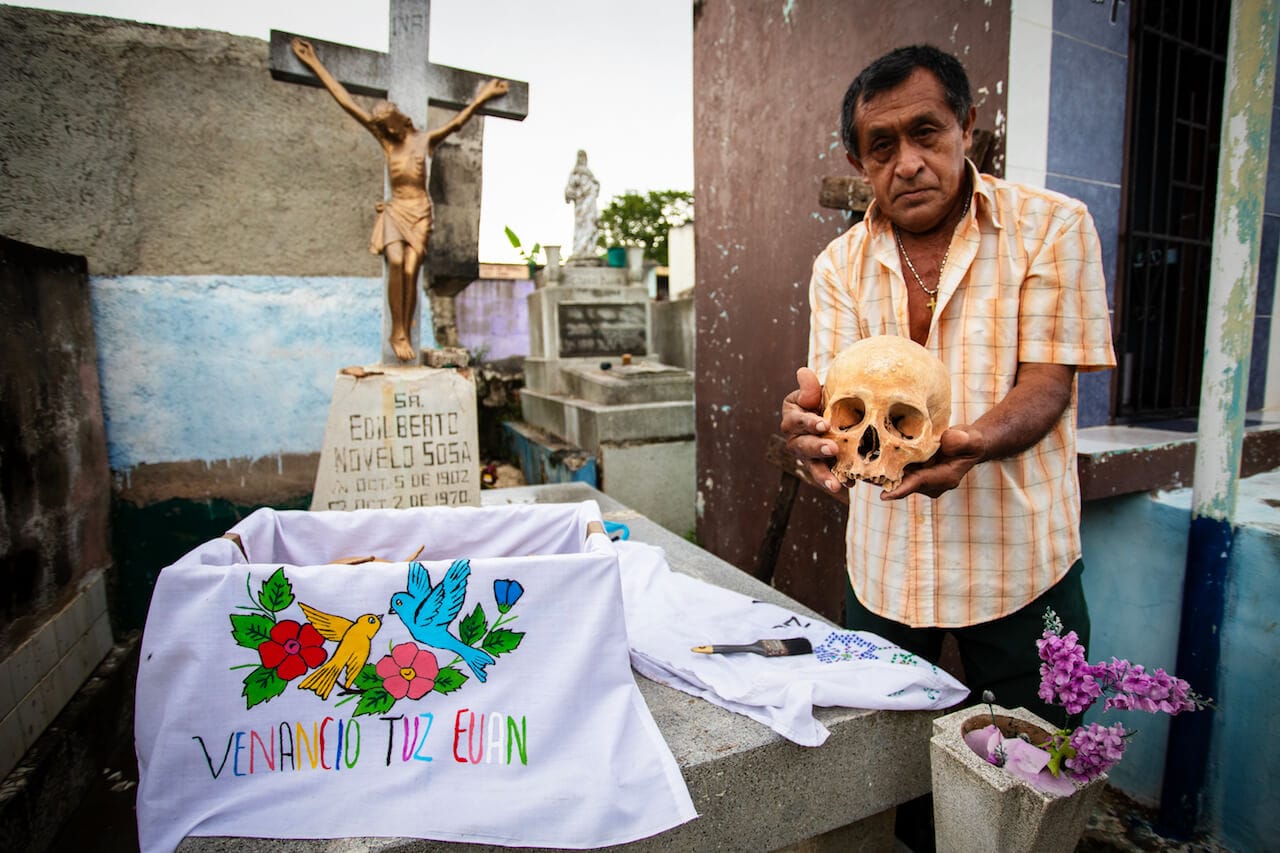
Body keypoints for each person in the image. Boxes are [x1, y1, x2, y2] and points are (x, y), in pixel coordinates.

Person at [780, 44, 1116, 720]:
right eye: (881, 147)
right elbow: (835, 397)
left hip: (1022, 567)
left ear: (966, 126)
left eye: (926, 132)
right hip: (885, 570)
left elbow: (1048, 382)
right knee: (873, 773)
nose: (906, 162)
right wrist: (812, 426)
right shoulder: (837, 267)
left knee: (1039, 764)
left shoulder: (1053, 228)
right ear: (859, 163)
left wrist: (972, 440)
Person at [291, 38, 510, 362]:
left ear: (397, 119)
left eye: (387, 125)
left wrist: (484, 96)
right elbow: (347, 103)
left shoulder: (424, 141)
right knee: (395, 261)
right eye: (381, 128)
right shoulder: (386, 143)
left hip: (420, 211)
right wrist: (315, 65)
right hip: (395, 211)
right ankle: (399, 331)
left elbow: (458, 122)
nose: (385, 130)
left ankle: (406, 324)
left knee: (410, 268)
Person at [564, 150, 601, 263]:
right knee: (581, 225)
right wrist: (575, 193)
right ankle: (579, 249)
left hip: (590, 205)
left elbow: (596, 186)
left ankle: (588, 248)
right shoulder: (575, 173)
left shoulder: (590, 175)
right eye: (580, 157)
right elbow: (569, 191)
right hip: (580, 205)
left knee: (591, 223)